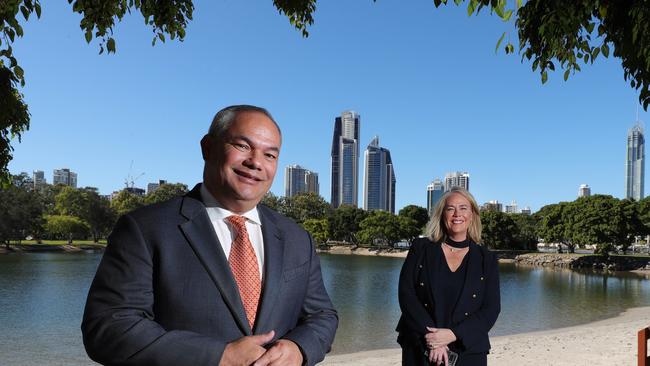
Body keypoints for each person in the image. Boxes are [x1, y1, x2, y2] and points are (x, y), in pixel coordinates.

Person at [82, 105, 338, 366]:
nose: (256, 162)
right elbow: (108, 328)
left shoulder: (297, 239)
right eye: (242, 146)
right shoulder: (144, 229)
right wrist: (218, 356)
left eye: (270, 155)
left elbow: (322, 316)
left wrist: (298, 349)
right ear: (207, 147)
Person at [396, 187, 500, 366]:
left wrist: (452, 334)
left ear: (473, 214)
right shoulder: (421, 248)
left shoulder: (487, 259)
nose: (457, 214)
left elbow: (491, 309)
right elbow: (407, 295)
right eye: (450, 208)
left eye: (463, 208)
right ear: (442, 214)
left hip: (468, 350)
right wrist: (434, 340)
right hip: (421, 346)